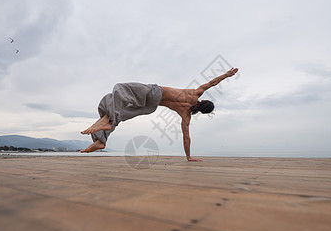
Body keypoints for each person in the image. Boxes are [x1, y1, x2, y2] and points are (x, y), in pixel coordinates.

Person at [81, 67, 239, 161]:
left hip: (153, 93)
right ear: (202, 112)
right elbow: (186, 137)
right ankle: (101, 139)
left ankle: (105, 122)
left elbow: (212, 83)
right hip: (150, 106)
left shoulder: (195, 93)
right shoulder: (186, 115)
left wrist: (227, 75)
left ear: (203, 100)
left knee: (119, 90)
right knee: (119, 112)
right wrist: (188, 157)